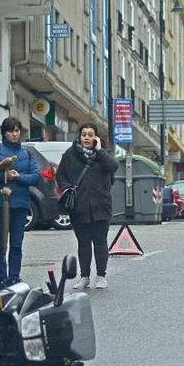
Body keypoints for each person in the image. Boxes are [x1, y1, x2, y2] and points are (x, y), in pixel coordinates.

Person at [55, 123, 119, 290]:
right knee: (83, 243)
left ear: (96, 137)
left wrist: (99, 151)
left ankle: (101, 275)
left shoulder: (102, 154)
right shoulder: (70, 154)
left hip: (101, 205)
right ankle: (84, 277)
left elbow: (113, 167)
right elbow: (60, 174)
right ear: (80, 136)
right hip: (79, 206)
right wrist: (68, 187)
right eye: (84, 134)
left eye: (91, 135)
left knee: (100, 241)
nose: (87, 138)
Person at [0, 117, 39, 289]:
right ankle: (2, 278)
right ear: (4, 133)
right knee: (1, 242)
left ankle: (14, 277)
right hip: (1, 203)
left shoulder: (27, 153)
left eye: (17, 130)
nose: (15, 134)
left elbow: (35, 176)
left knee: (17, 243)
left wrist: (19, 177)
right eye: (11, 131)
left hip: (21, 203)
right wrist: (5, 176)